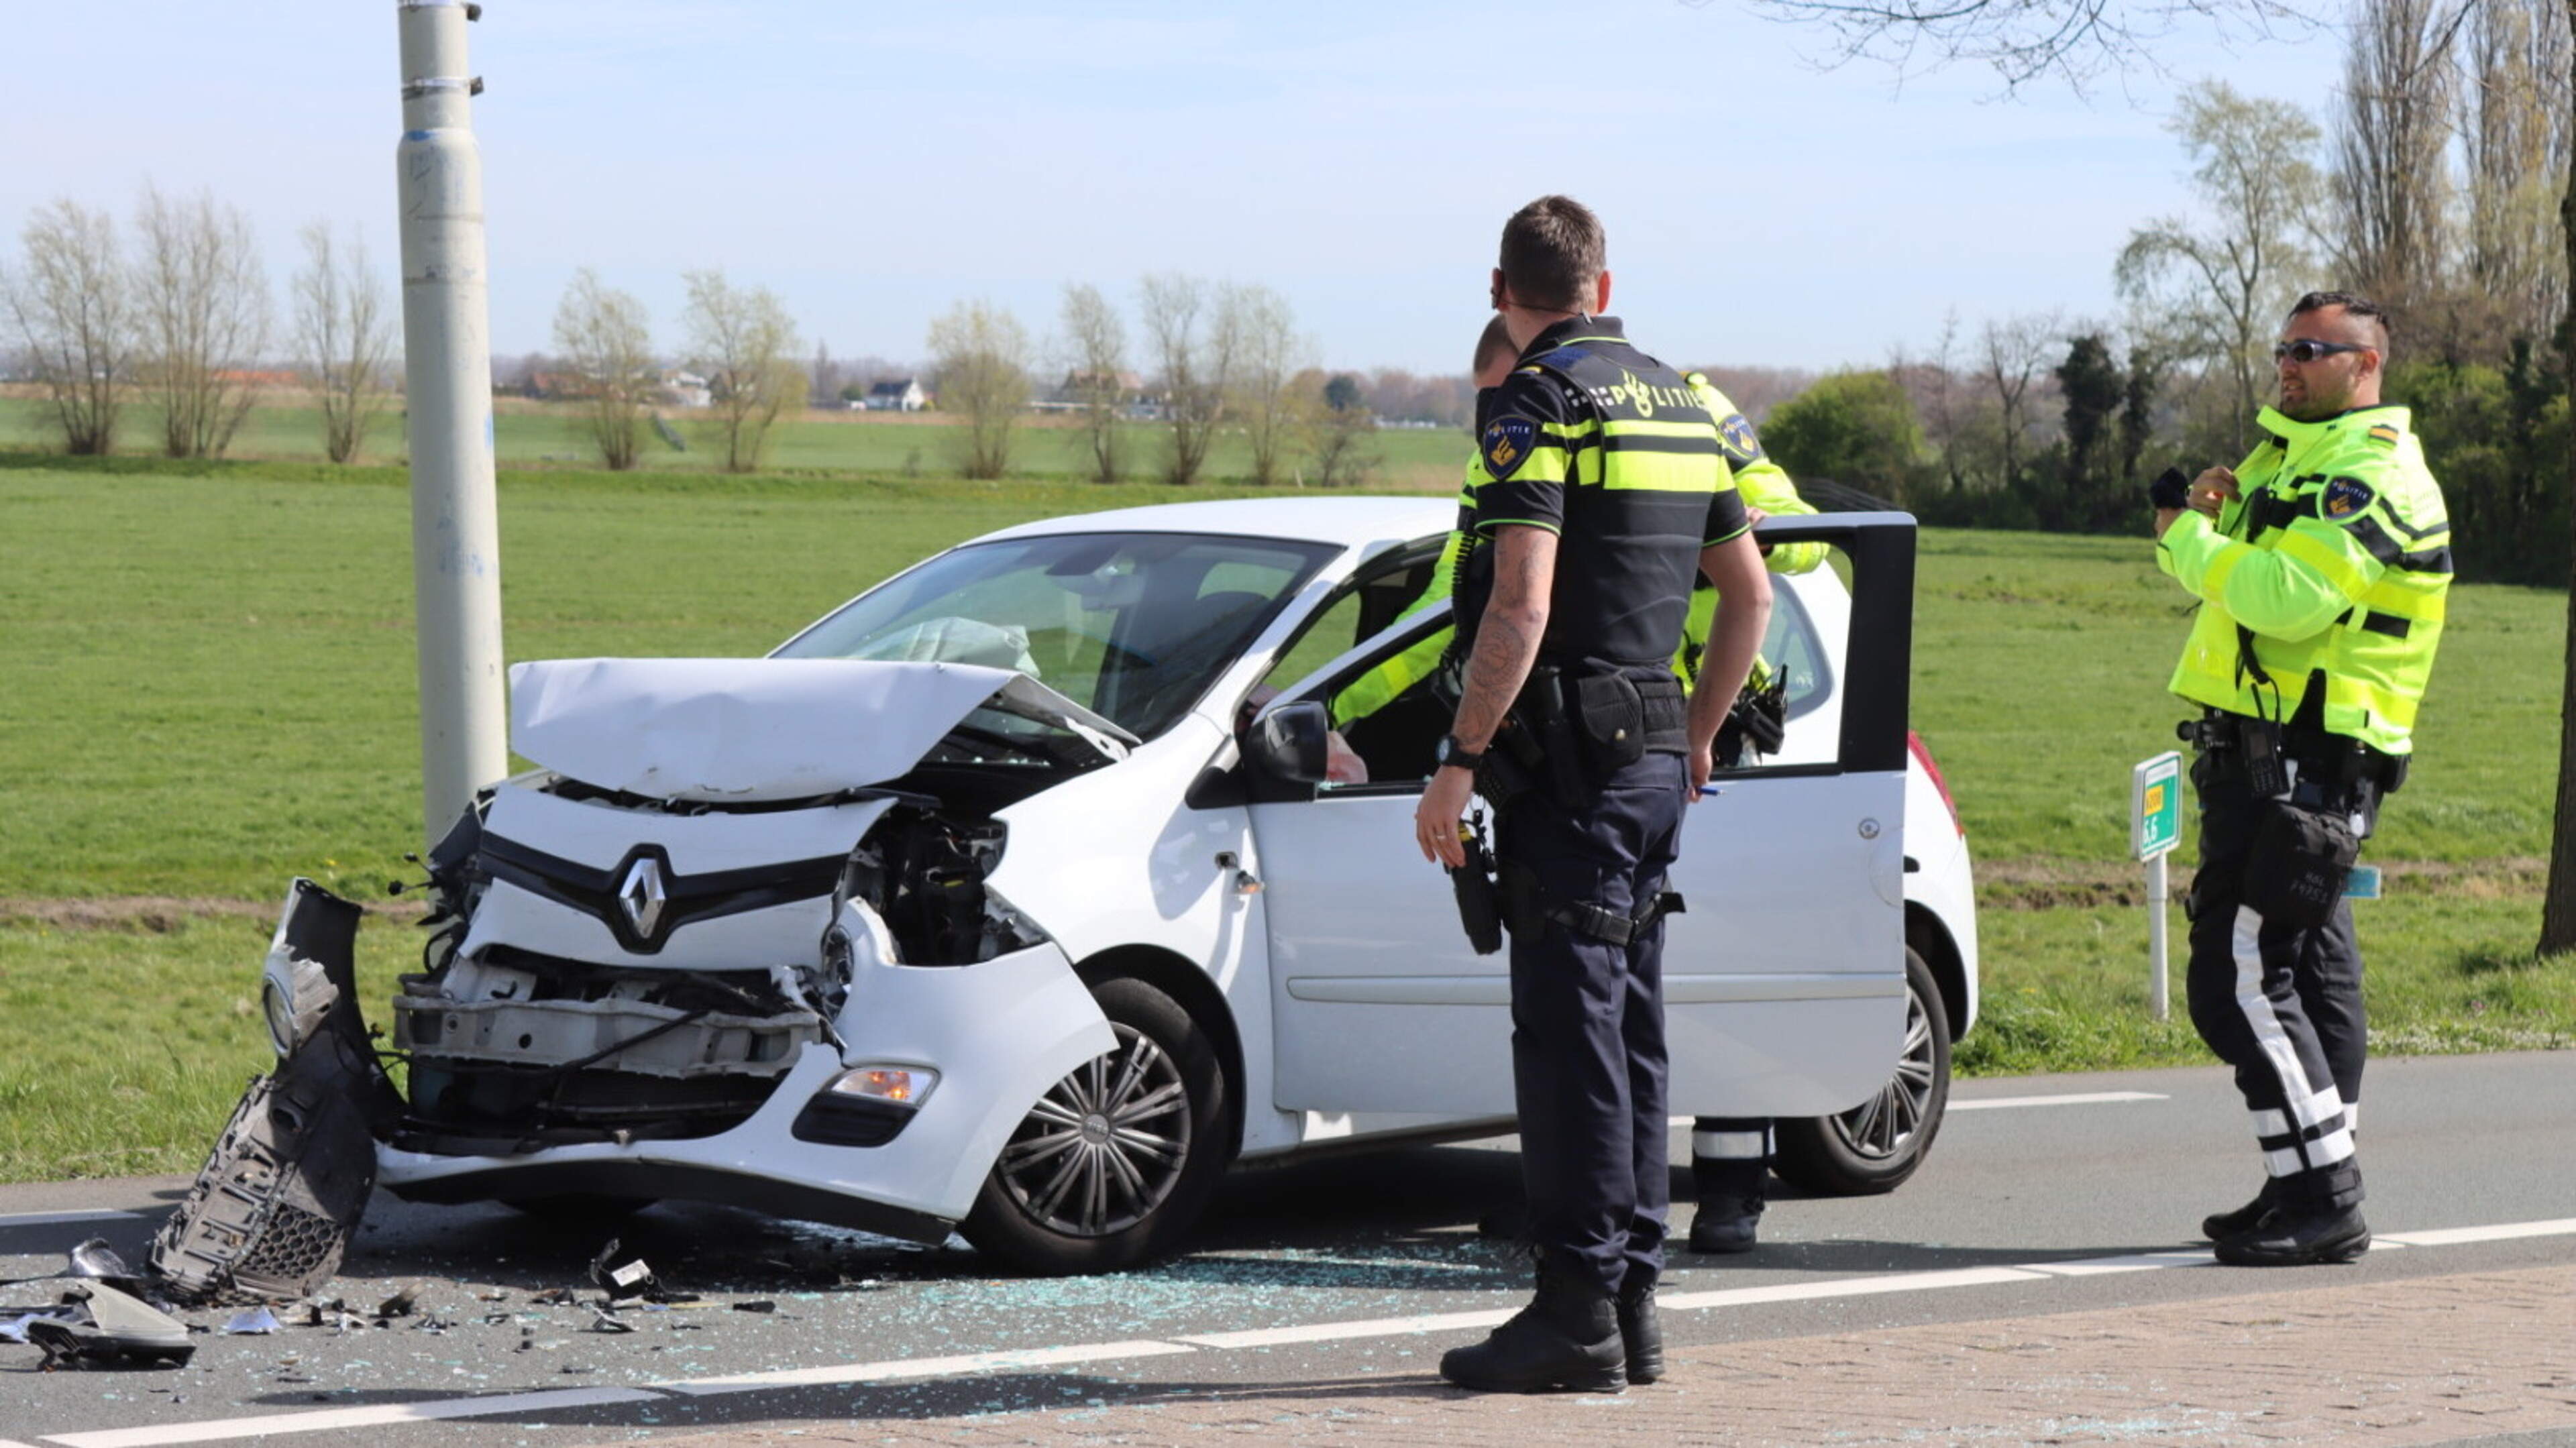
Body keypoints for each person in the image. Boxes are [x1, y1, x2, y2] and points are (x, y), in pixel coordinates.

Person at [1415, 195, 1771, 1392]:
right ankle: (1632, 1309)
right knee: (1632, 1029)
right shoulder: (1680, 400)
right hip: (1660, 756)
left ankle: (1573, 1317)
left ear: (1501, 291)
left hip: (1569, 765)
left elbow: (1520, 605)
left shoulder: (1540, 398)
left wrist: (1458, 762)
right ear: (1603, 287)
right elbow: (1752, 593)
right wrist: (1703, 735)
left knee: (1569, 1040)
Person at [2152, 290, 2449, 1267]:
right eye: (2283, 346)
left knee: (2233, 981)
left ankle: (2327, 1197)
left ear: (2365, 366)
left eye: (2310, 350)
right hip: (2264, 752)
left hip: (2308, 764)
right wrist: (2208, 521)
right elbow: (2242, 578)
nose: (2286, 362)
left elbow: (2286, 600)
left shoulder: (2370, 474)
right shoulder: (2292, 454)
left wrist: (2185, 538)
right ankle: (2297, 1187)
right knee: (2313, 986)